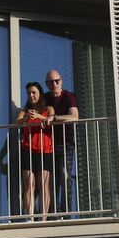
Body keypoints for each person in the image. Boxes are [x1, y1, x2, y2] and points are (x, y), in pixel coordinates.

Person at [44, 70, 81, 216]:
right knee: (50, 180)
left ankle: (65, 214)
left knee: (64, 176)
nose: (54, 84)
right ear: (46, 84)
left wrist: (54, 118)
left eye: (56, 81)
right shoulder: (45, 98)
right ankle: (54, 213)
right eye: (50, 82)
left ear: (61, 81)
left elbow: (74, 116)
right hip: (48, 144)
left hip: (66, 143)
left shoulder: (68, 96)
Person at [15, 81, 54, 220]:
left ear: (40, 93)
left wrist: (39, 116)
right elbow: (17, 122)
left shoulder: (48, 108)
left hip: (45, 150)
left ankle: (43, 219)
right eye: (28, 93)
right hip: (28, 150)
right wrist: (26, 118)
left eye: (34, 92)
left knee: (43, 185)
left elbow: (52, 119)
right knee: (28, 185)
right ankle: (30, 218)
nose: (31, 95)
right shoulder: (24, 111)